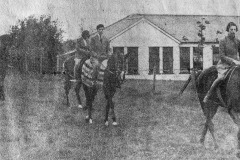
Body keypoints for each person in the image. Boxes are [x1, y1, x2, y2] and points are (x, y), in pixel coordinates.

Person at [203, 22, 240, 103]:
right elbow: (222, 56)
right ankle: (208, 95)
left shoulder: (238, 41)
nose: (233, 31)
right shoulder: (223, 41)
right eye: (231, 29)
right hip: (224, 65)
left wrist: (238, 61)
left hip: (236, 65)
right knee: (221, 78)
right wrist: (233, 61)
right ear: (228, 30)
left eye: (234, 29)